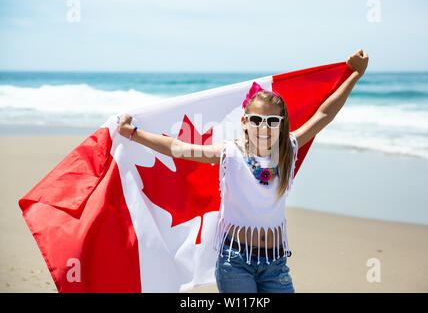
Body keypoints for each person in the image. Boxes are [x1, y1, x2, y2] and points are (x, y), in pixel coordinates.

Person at [118, 49, 369, 293]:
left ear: (281, 126)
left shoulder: (287, 150)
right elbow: (180, 149)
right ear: (245, 124)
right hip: (235, 262)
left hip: (276, 264)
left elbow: (324, 115)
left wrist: (353, 76)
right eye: (256, 120)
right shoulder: (230, 153)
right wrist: (133, 133)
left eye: (272, 121)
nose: (264, 127)